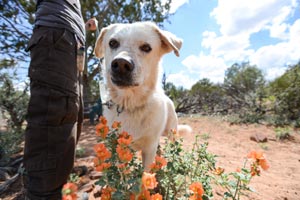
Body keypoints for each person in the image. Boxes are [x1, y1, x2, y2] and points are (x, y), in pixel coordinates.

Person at [23, 0, 89, 199]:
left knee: (71, 117)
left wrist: (83, 28)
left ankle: (60, 189)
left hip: (69, 46)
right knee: (54, 115)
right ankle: (44, 195)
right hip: (56, 38)